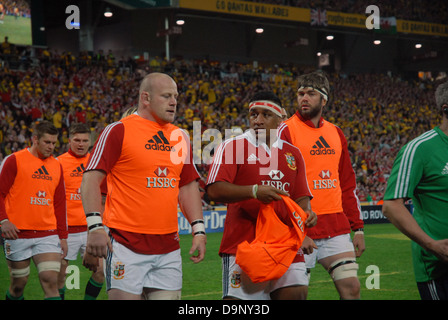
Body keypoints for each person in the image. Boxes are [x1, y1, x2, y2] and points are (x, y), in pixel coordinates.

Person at [80, 72, 206, 300]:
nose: (174, 102)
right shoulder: (118, 130)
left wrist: (198, 229)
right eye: (166, 96)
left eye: (176, 96)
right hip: (125, 244)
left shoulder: (181, 137)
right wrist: (95, 226)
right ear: (145, 98)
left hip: (169, 245)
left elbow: (187, 186)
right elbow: (90, 179)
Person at [206, 91, 317, 300]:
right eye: (253, 114)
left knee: (296, 295)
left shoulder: (293, 154)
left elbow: (301, 197)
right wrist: (254, 191)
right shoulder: (232, 146)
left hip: (286, 245)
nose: (257, 120)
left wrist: (307, 214)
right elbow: (213, 189)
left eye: (266, 115)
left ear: (280, 119)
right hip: (245, 244)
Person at [278, 71, 365, 299]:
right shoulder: (285, 130)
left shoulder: (335, 132)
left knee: (352, 287)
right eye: (300, 93)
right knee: (295, 294)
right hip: (299, 227)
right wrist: (298, 229)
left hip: (335, 226)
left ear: (324, 100)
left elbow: (347, 183)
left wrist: (358, 228)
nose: (304, 98)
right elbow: (281, 185)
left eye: (311, 94)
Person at [382, 81, 448, 300]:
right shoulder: (419, 149)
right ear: (445, 108)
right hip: (438, 266)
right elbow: (391, 206)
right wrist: (432, 246)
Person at [0, 120, 68, 300]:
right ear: (35, 139)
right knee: (18, 285)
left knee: (50, 280)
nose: (51, 147)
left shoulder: (56, 165)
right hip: (18, 233)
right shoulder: (14, 160)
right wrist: (3, 221)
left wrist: (63, 236)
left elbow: (59, 203)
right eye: (47, 142)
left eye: (54, 143)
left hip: (47, 233)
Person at [56, 123, 104, 300]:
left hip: (92, 229)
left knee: (100, 272)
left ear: (90, 142)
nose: (81, 144)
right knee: (60, 275)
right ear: (69, 141)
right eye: (77, 140)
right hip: (66, 231)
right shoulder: (58, 163)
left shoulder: (97, 162)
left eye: (85, 140)